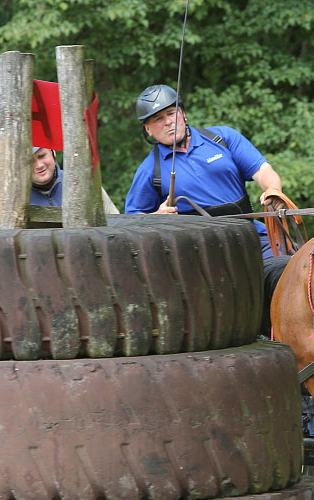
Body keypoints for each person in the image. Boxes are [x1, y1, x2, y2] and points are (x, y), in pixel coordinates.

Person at [124, 84, 293, 335]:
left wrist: (273, 191)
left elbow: (264, 172)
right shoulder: (151, 170)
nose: (168, 122)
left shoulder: (222, 138)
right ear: (148, 129)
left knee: (292, 270)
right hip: (202, 254)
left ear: (183, 113)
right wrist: (156, 218)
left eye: (171, 113)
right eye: (158, 120)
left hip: (252, 236)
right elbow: (131, 221)